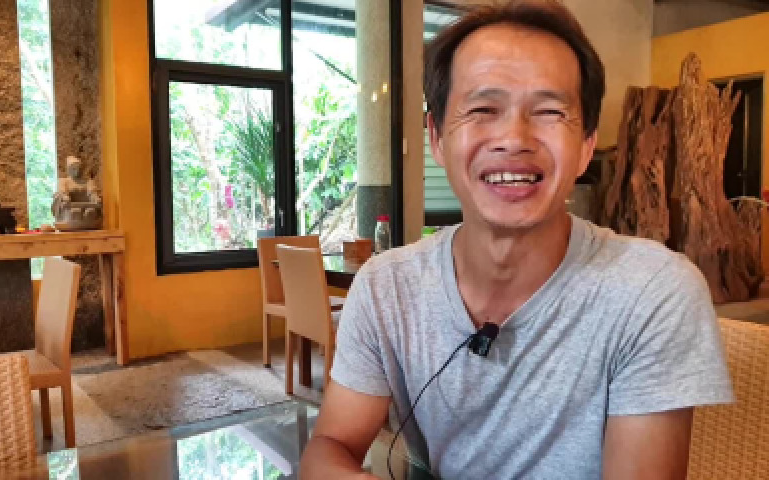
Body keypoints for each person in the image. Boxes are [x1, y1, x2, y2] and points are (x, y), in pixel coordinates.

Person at [300, 1, 733, 478]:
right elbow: (330, 446)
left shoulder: (653, 292)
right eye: (483, 109)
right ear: (437, 137)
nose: (514, 138)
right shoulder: (387, 287)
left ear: (586, 144)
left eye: (549, 111)